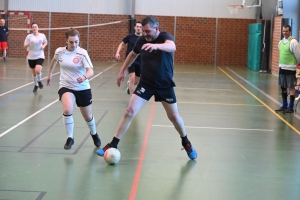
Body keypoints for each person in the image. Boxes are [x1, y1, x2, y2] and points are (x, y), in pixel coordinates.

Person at [97, 15, 197, 160]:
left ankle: (186, 142)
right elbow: (132, 54)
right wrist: (122, 70)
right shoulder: (142, 40)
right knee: (129, 111)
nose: (145, 34)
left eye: (148, 31)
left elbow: (172, 46)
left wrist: (156, 46)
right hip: (146, 83)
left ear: (157, 28)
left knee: (174, 117)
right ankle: (113, 143)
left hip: (164, 84)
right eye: (143, 31)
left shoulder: (165, 37)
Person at [46, 28, 101, 150]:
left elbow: (91, 70)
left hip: (82, 88)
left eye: (76, 42)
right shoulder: (60, 51)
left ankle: (94, 134)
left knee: (87, 116)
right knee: (67, 109)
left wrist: (84, 76)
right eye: (71, 42)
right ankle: (70, 138)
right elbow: (54, 60)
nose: (74, 44)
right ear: (66, 41)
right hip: (66, 86)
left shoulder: (82, 53)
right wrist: (49, 74)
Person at [275, 25, 300, 114]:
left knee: (291, 87)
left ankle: (290, 107)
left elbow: (298, 55)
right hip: (282, 67)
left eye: (286, 31)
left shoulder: (293, 42)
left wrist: (296, 65)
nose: (284, 33)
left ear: (290, 31)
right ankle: (284, 105)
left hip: (290, 68)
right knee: (283, 87)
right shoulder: (281, 42)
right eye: (283, 31)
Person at [115, 21, 142, 95]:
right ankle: (132, 99)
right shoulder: (130, 36)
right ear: (135, 28)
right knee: (132, 78)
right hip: (131, 61)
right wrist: (118, 52)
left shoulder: (144, 38)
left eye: (140, 27)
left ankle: (129, 84)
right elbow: (122, 44)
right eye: (137, 27)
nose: (139, 28)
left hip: (140, 61)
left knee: (136, 81)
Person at [24, 22, 48, 92]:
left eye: (35, 27)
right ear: (31, 28)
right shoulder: (29, 36)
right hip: (31, 56)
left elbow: (46, 42)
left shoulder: (42, 35)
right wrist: (28, 44)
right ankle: (36, 85)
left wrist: (43, 46)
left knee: (38, 70)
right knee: (34, 73)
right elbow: (24, 46)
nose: (34, 28)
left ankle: (39, 81)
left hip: (40, 55)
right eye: (33, 27)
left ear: (38, 28)